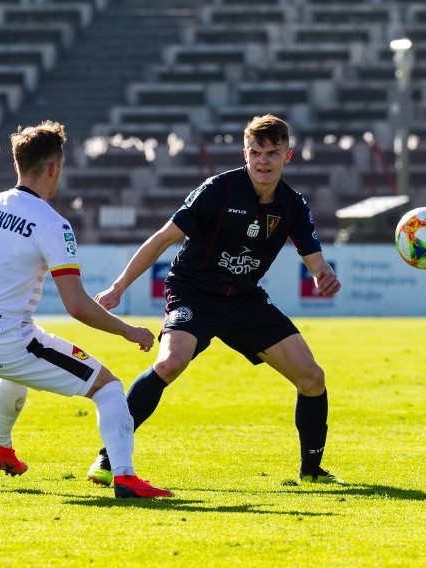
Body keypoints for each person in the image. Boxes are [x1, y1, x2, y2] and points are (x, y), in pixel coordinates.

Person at [86, 114, 344, 486]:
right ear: (245, 153)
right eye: (256, 152)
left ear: (288, 156)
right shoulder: (218, 190)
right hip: (194, 290)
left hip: (244, 300)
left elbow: (315, 260)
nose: (263, 161)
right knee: (170, 363)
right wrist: (119, 286)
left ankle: (312, 471)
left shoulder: (293, 205)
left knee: (312, 378)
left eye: (272, 153)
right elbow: (162, 239)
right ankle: (108, 457)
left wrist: (324, 275)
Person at [0, 120, 172, 499]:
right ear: (54, 168)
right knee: (108, 388)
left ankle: (0, 448)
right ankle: (124, 476)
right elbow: (76, 306)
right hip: (7, 345)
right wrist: (129, 331)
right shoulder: (52, 225)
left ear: (17, 165)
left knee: (18, 366)